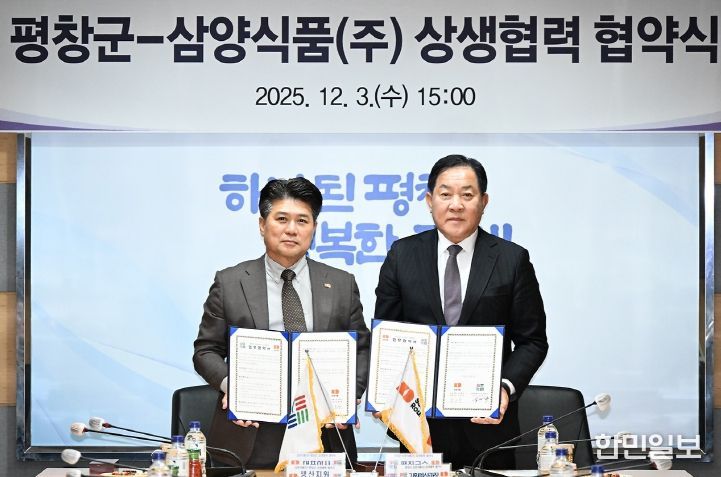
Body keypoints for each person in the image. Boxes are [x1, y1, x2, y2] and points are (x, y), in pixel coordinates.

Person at [374, 154, 548, 470]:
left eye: (467, 195)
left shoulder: (512, 260)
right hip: (418, 425)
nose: (456, 204)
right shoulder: (402, 255)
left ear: (484, 202)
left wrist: (504, 387)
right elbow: (386, 335)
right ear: (430, 201)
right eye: (445, 194)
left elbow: (532, 340)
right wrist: (382, 388)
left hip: (488, 428)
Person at [193, 177, 370, 469]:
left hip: (324, 435)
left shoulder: (341, 283)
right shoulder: (230, 282)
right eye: (282, 219)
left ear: (314, 227)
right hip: (249, 432)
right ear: (262, 224)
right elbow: (205, 351)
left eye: (302, 220)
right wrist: (232, 386)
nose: (292, 229)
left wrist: (349, 396)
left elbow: (362, 349)